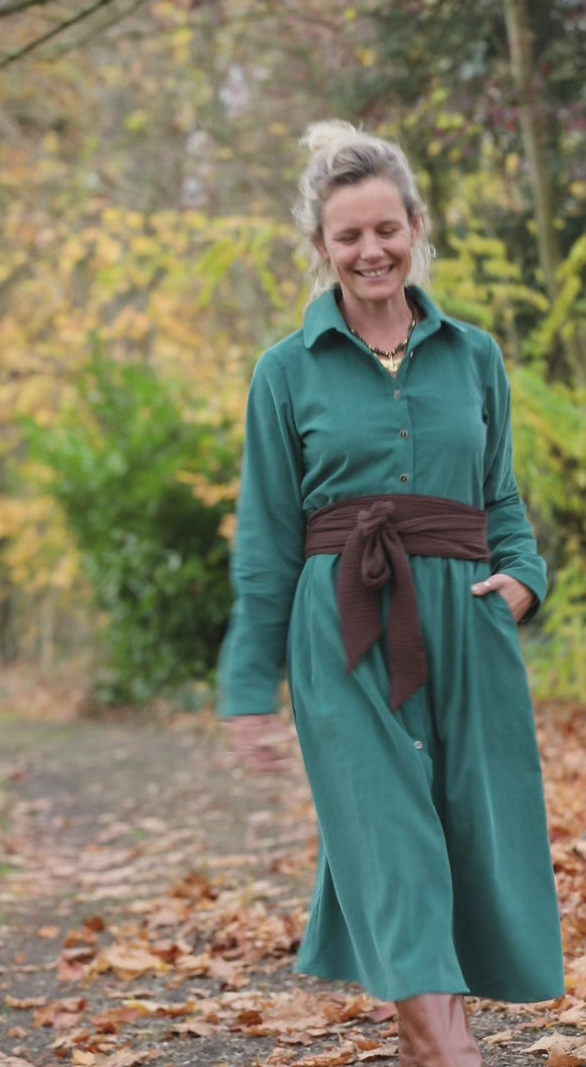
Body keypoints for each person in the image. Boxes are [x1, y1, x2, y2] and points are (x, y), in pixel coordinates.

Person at [218, 119, 565, 1066]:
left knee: (469, 839)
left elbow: (501, 497)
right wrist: (249, 687)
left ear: (416, 227)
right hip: (343, 634)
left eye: (385, 228)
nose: (370, 250)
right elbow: (266, 540)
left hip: (469, 623)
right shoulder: (284, 371)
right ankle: (456, 1056)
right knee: (393, 840)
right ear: (320, 245)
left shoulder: (475, 355)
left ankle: (431, 1050)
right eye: (348, 235)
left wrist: (523, 582)